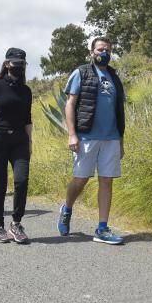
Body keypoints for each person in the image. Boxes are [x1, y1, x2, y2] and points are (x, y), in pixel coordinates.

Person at [57, 37, 126, 245]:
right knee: (81, 179)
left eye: (107, 49)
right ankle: (67, 208)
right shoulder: (81, 72)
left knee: (107, 180)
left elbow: (119, 110)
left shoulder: (114, 76)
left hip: (111, 137)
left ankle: (102, 228)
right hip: (86, 135)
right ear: (91, 52)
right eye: (100, 49)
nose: (103, 52)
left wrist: (121, 140)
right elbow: (70, 104)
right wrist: (72, 134)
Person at [0, 49, 32, 243]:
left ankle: (16, 224)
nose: (18, 67)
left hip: (19, 141)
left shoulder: (26, 91)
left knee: (21, 181)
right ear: (7, 63)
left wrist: (30, 143)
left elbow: (27, 119)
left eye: (21, 64)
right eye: (15, 63)